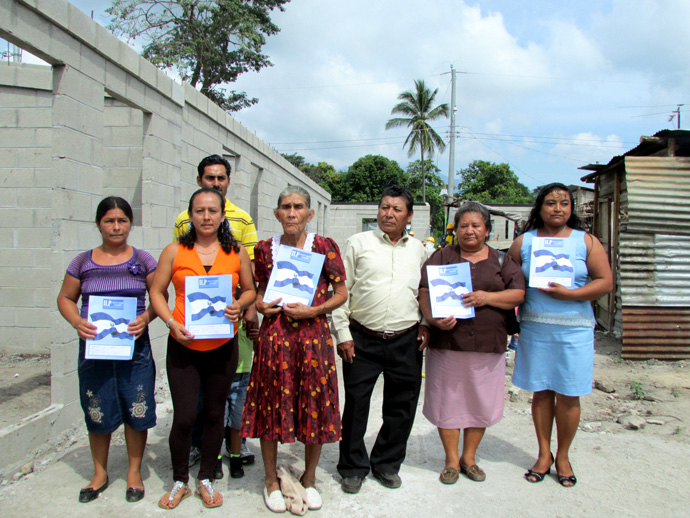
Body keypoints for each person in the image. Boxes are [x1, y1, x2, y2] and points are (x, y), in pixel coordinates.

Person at [241, 186, 347, 513]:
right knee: (271, 403)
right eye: (285, 207)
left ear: (309, 214)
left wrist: (314, 311)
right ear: (276, 213)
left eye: (298, 207)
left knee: (314, 401)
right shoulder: (264, 250)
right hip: (275, 340)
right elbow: (259, 294)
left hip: (314, 338)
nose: (291, 213)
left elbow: (341, 293)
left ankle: (310, 477)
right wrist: (261, 305)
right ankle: (271, 478)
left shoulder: (325, 247)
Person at [151, 188, 256, 509]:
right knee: (183, 417)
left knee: (214, 414)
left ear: (223, 215)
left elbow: (250, 290)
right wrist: (171, 323)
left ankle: (206, 478)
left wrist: (239, 304)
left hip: (223, 347)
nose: (206, 217)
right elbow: (157, 292)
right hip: (184, 346)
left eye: (212, 211)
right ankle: (180, 480)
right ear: (190, 215)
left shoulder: (235, 252)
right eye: (199, 211)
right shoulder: (173, 251)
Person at [508, 183, 612, 487]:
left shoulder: (586, 242)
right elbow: (508, 281)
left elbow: (605, 282)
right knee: (541, 391)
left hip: (574, 330)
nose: (558, 208)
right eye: (551, 203)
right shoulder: (524, 243)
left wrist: (572, 295)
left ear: (571, 209)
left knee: (569, 392)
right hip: (537, 328)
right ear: (539, 208)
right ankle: (544, 454)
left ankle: (563, 455)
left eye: (564, 203)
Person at [57, 197, 159, 504]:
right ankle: (99, 473)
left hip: (134, 348)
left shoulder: (142, 260)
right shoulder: (82, 262)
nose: (116, 227)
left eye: (122, 220)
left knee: (136, 408)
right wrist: (77, 321)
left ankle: (133, 473)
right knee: (97, 409)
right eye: (109, 221)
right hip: (94, 348)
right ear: (98, 224)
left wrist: (145, 318)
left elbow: (160, 296)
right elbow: (65, 298)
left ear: (130, 223)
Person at [418, 202, 525, 484]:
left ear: (487, 230)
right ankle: (451, 460)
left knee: (480, 401)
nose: (469, 231)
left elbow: (518, 294)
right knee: (447, 402)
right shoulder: (442, 257)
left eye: (476, 225)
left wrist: (486, 298)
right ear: (456, 230)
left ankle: (469, 458)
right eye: (463, 225)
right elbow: (424, 289)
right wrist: (431, 318)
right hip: (448, 343)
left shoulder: (502, 261)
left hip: (488, 344)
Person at [333, 185, 429, 494]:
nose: (388, 213)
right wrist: (343, 334)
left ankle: (387, 464)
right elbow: (341, 291)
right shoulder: (357, 243)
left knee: (401, 406)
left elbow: (427, 292)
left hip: (406, 340)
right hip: (362, 338)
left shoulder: (419, 250)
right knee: (356, 405)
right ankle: (352, 467)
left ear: (409, 216)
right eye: (384, 207)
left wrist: (427, 324)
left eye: (396, 209)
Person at [174, 154, 259, 477]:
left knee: (231, 386)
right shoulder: (184, 219)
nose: (215, 183)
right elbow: (180, 271)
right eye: (209, 178)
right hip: (194, 322)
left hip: (229, 318)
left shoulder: (242, 219)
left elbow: (248, 274)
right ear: (199, 181)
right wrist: (177, 317)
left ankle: (231, 445)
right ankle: (198, 446)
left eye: (221, 178)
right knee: (195, 393)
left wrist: (249, 311)